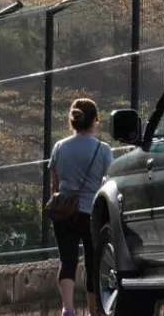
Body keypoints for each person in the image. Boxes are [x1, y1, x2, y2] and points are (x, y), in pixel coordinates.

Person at [50, 97, 114, 316]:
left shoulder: (60, 147)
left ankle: (67, 308)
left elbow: (55, 184)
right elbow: (109, 183)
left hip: (64, 212)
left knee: (67, 260)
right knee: (93, 263)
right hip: (91, 213)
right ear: (96, 120)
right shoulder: (103, 150)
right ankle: (94, 310)